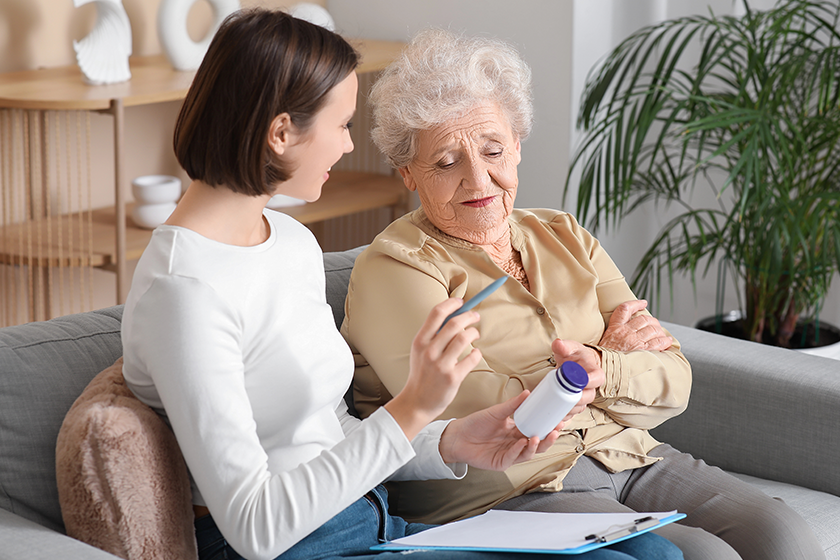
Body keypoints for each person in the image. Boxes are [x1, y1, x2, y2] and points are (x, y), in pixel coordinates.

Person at [120, 9, 683, 560]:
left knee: (658, 554)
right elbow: (256, 529)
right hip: (304, 546)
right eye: (341, 125)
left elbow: (332, 431)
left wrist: (450, 441)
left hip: (373, 517)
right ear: (282, 133)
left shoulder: (287, 241)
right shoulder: (184, 293)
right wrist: (414, 406)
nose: (347, 145)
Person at [341, 28, 825, 560]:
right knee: (699, 555)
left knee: (784, 534)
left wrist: (595, 371)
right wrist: (613, 361)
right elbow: (483, 411)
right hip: (508, 489)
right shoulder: (395, 267)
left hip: (626, 454)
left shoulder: (564, 235)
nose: (478, 179)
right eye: (445, 162)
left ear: (518, 145)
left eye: (493, 150)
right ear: (408, 172)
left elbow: (674, 380)